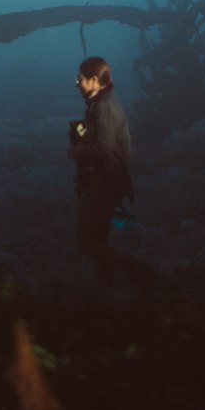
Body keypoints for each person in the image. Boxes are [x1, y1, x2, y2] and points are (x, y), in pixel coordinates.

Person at [69, 55, 150, 287]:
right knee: (99, 239)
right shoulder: (103, 103)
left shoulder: (103, 107)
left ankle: (137, 268)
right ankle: (105, 288)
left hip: (103, 182)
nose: (77, 84)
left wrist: (77, 151)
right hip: (108, 180)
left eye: (80, 80)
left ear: (94, 80)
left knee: (84, 241)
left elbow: (103, 148)